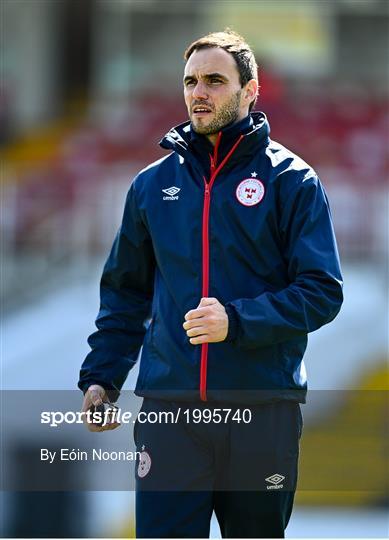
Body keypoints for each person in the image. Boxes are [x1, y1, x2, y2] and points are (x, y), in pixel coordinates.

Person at [79, 29, 343, 538]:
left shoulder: (293, 181)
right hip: (169, 413)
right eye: (191, 82)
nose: (199, 92)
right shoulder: (151, 185)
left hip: (262, 412)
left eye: (215, 81)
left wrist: (236, 321)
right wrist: (102, 377)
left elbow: (322, 291)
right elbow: (125, 293)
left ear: (250, 90)